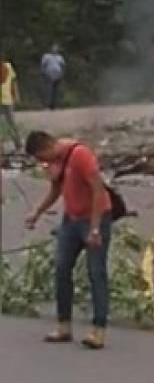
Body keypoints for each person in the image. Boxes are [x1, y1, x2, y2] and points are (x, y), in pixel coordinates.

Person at [23, 131, 113, 349]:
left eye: (42, 158)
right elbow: (56, 189)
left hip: (94, 218)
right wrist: (37, 212)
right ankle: (64, 326)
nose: (42, 163)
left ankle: (98, 330)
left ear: (47, 146)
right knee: (61, 268)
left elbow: (98, 190)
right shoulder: (56, 162)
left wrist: (94, 229)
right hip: (71, 220)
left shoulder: (80, 154)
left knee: (96, 272)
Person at [1, 53, 21, 151]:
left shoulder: (8, 66)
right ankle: (2, 145)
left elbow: (13, 82)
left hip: (7, 98)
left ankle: (17, 142)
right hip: (5, 99)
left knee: (11, 122)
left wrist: (16, 95)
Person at [40, 44, 66, 110]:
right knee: (49, 91)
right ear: (51, 49)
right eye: (54, 49)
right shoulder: (47, 56)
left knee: (56, 91)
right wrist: (45, 73)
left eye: (56, 49)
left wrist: (61, 73)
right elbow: (43, 65)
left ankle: (54, 106)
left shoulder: (60, 57)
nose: (55, 50)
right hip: (49, 75)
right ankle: (48, 106)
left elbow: (63, 66)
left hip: (58, 75)